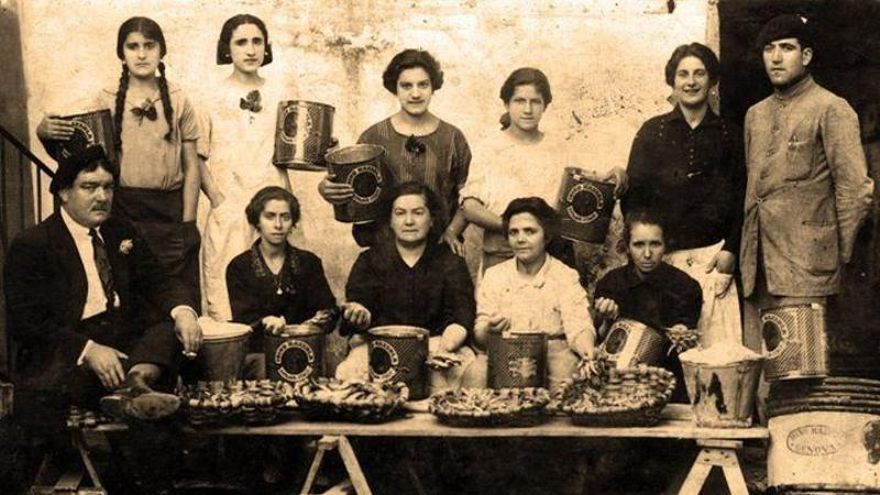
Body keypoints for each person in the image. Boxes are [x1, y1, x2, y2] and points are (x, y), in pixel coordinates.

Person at [4, 146, 202, 493]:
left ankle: (135, 384)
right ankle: (137, 390)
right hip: (69, 351)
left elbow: (160, 280)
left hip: (125, 345)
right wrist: (87, 349)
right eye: (89, 187)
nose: (102, 197)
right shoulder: (33, 244)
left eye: (108, 187)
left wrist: (184, 311)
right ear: (63, 192)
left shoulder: (119, 231)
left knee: (169, 327)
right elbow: (26, 323)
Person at [37, 16, 202, 309]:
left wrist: (188, 223)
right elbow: (79, 156)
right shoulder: (105, 98)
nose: (141, 54)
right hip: (124, 207)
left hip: (169, 211)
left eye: (149, 46)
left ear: (162, 51)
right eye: (133, 46)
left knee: (176, 293)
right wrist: (44, 133)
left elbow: (191, 168)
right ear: (121, 54)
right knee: (132, 290)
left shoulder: (180, 99)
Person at [740, 14, 874, 351]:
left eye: (787, 48)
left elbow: (856, 191)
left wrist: (830, 253)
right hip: (757, 268)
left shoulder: (831, 108)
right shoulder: (755, 115)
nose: (775, 57)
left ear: (807, 56)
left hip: (806, 269)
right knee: (758, 375)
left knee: (799, 374)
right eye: (769, 49)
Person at [622, 42, 745, 347]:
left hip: (713, 260)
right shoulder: (653, 132)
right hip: (664, 261)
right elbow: (633, 197)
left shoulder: (730, 134)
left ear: (712, 80)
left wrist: (731, 248)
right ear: (672, 82)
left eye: (699, 73)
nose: (691, 82)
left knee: (716, 352)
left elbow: (744, 196)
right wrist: (647, 253)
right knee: (665, 355)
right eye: (683, 74)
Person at [460, 67, 627, 274]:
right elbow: (469, 206)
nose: (528, 109)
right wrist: (513, 227)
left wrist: (614, 173)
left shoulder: (557, 147)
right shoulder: (490, 148)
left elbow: (582, 183)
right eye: (520, 101)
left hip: (552, 256)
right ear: (506, 104)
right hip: (503, 256)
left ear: (545, 106)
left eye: (535, 102)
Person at [318, 49, 472, 251]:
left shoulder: (453, 138)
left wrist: (452, 231)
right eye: (406, 86)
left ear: (433, 86)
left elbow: (468, 198)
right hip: (384, 253)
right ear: (395, 88)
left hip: (438, 251)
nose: (415, 93)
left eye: (423, 85)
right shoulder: (373, 137)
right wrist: (328, 189)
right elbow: (356, 194)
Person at [200, 14, 300, 321]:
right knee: (224, 286)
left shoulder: (280, 92)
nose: (250, 49)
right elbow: (198, 155)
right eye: (241, 42)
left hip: (272, 197)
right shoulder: (211, 95)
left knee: (282, 282)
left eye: (257, 41)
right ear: (227, 48)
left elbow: (294, 146)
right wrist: (217, 199)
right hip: (230, 201)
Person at [335, 181, 476, 389]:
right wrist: (360, 314)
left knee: (466, 373)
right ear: (390, 221)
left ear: (432, 220)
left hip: (438, 344)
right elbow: (357, 310)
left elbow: (462, 315)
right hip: (381, 347)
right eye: (400, 213)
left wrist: (442, 350)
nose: (409, 221)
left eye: (418, 213)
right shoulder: (369, 260)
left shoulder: (451, 262)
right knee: (348, 375)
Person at [467, 197, 596, 393]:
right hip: (505, 352)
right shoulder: (495, 275)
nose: (520, 239)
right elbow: (480, 334)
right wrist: (488, 329)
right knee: (475, 373)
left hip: (552, 353)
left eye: (530, 231)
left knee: (567, 373)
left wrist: (586, 348)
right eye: (513, 232)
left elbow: (579, 325)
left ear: (547, 236)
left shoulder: (564, 275)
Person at [226, 186, 354, 378]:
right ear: (256, 221)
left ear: (293, 222)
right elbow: (243, 321)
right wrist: (266, 322)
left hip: (305, 349)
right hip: (260, 355)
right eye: (270, 216)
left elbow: (328, 308)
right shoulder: (239, 267)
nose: (278, 225)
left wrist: (324, 317)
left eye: (285, 217)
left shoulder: (308, 262)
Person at [594, 210, 702, 404]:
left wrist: (682, 333)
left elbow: (685, 339)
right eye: (638, 245)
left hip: (668, 382)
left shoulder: (686, 286)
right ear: (626, 246)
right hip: (617, 381)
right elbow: (601, 340)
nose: (647, 254)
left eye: (655, 244)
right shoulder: (611, 283)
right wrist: (605, 318)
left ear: (666, 245)